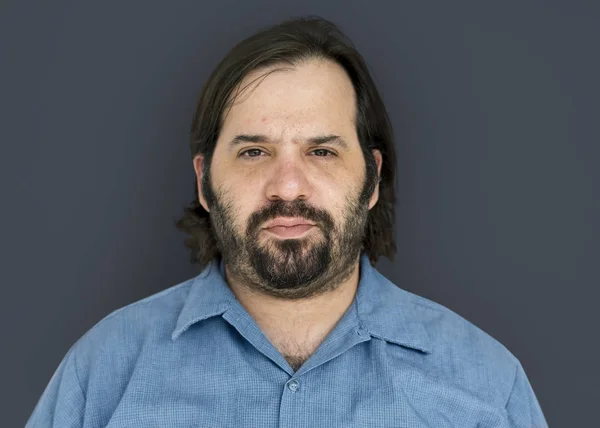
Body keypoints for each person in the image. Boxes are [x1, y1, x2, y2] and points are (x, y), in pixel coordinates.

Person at [26, 16, 548, 428]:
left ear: (370, 178)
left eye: (322, 151)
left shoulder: (484, 384)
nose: (288, 186)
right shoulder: (103, 373)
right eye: (254, 152)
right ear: (205, 182)